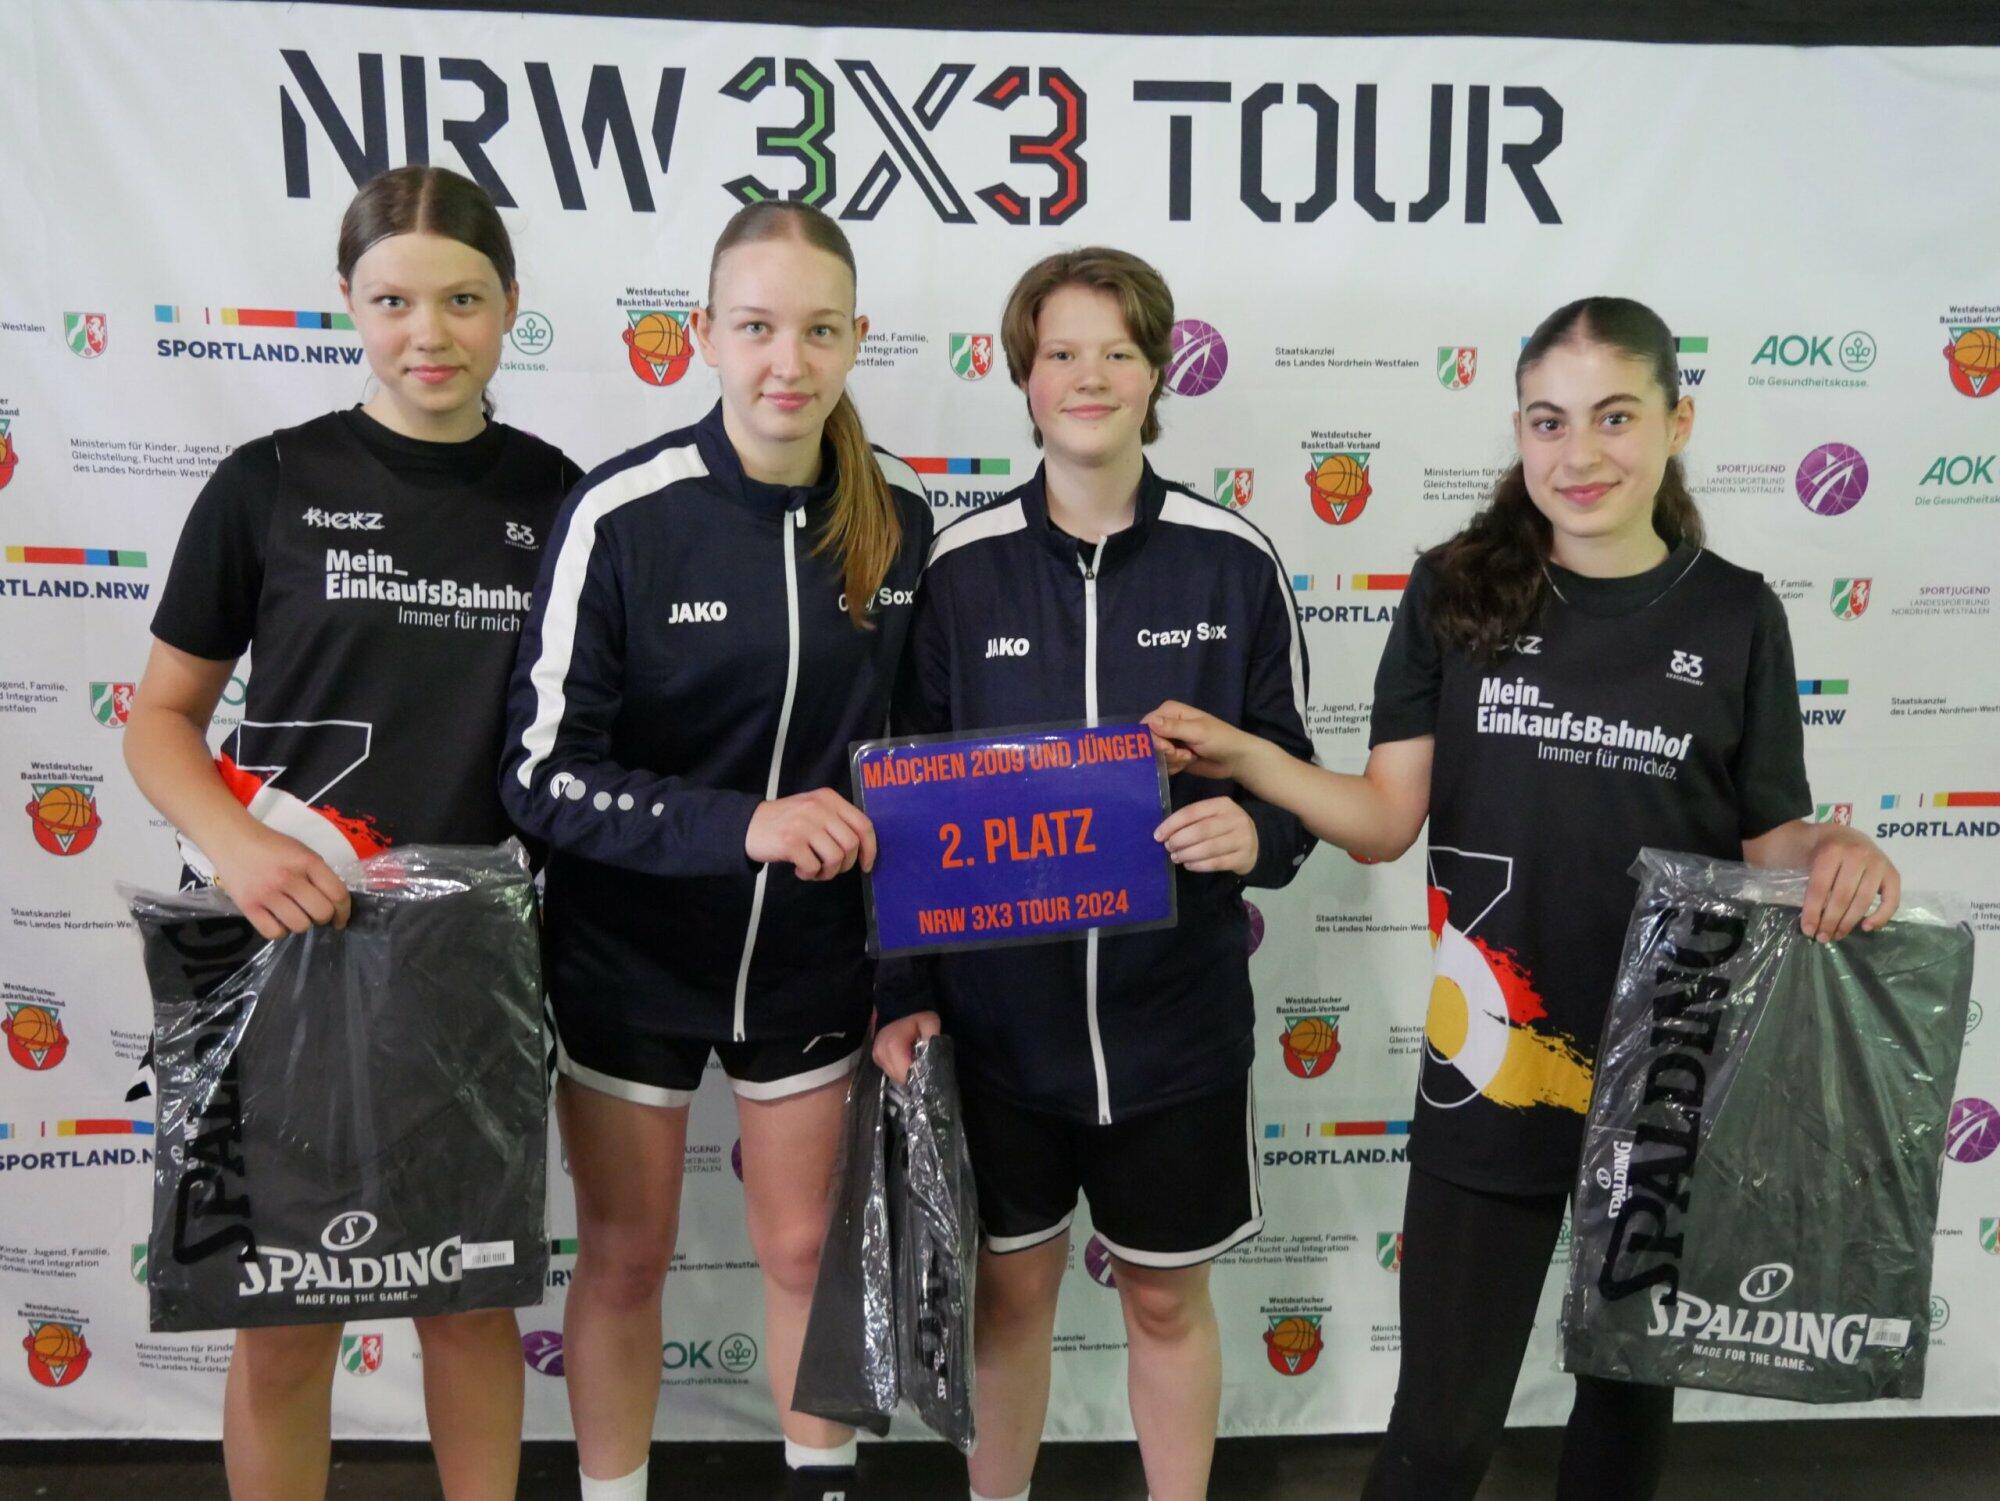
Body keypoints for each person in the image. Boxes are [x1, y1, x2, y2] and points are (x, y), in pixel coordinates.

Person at [1144, 296, 1902, 1501]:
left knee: (1620, 1418)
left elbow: (1771, 842)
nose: (1578, 452)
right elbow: (1383, 818)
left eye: (1614, 416)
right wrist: (1246, 756)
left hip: (1667, 1071)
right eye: (1548, 421)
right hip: (1490, 1063)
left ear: (1676, 423)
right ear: (1517, 431)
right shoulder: (1454, 590)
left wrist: (1836, 849)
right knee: (1439, 1435)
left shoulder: (1734, 612)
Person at [123, 164, 578, 1501]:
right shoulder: (267, 480)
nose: (427, 332)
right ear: (347, 302)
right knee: (283, 1321)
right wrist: (239, 844)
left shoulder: (560, 498)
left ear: (511, 306)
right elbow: (159, 720)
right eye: (392, 301)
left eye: (461, 300)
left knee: (468, 1304)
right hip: (286, 944)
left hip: (477, 967)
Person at [499, 201, 933, 1501]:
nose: (786, 361)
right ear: (702, 334)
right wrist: (740, 824)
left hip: (809, 965)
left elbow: (924, 767)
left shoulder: (902, 523)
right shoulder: (622, 512)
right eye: (754, 327)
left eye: (818, 330)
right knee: (625, 1258)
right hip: (627, 958)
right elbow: (539, 774)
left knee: (802, 1253)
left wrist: (911, 967)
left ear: (856, 338)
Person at [872, 247, 1315, 1501]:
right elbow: (905, 800)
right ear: (1022, 375)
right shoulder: (958, 571)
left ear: (1157, 372)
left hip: (1173, 1025)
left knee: (1165, 1301)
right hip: (998, 1028)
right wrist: (902, 988)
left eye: (1117, 351)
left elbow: (1288, 772)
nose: (1089, 375)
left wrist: (1258, 835)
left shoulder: (1231, 559)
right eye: (1061, 351)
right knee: (1009, 1296)